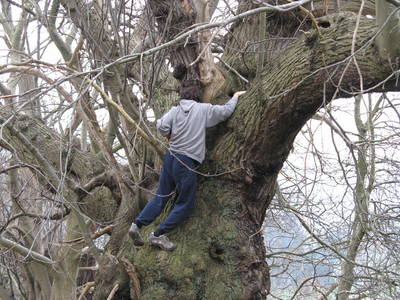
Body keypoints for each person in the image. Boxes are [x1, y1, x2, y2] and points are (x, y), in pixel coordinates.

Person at [129, 84, 246, 251]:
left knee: (161, 195)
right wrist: (234, 97)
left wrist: (169, 136)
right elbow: (225, 112)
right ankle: (157, 235)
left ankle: (136, 225)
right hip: (186, 162)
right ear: (198, 97)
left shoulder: (175, 110)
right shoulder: (203, 109)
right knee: (186, 202)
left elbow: (161, 126)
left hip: (171, 158)